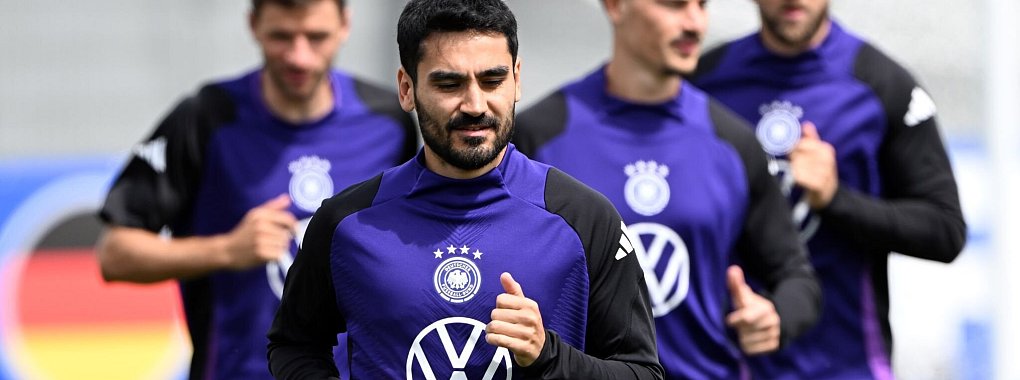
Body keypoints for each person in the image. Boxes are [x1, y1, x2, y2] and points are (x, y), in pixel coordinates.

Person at [267, 0, 665, 378]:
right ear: (407, 89)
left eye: (493, 80)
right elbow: (292, 346)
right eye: (449, 84)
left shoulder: (583, 218)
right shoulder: (346, 224)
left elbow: (642, 372)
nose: (475, 104)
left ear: (517, 79)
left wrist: (548, 356)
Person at [95, 0, 418, 378]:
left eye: (316, 37)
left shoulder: (388, 123)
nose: (299, 57)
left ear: (345, 25)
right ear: (253, 25)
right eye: (281, 36)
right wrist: (226, 250)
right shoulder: (207, 118)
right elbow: (115, 254)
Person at [511, 0, 821, 378]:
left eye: (702, 5)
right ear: (615, 6)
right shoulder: (538, 136)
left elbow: (796, 276)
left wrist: (775, 317)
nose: (694, 23)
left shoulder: (733, 142)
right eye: (674, 4)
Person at [689, 0, 967, 378]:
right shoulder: (703, 82)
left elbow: (945, 230)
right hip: (726, 365)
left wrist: (837, 200)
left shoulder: (881, 84)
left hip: (845, 365)